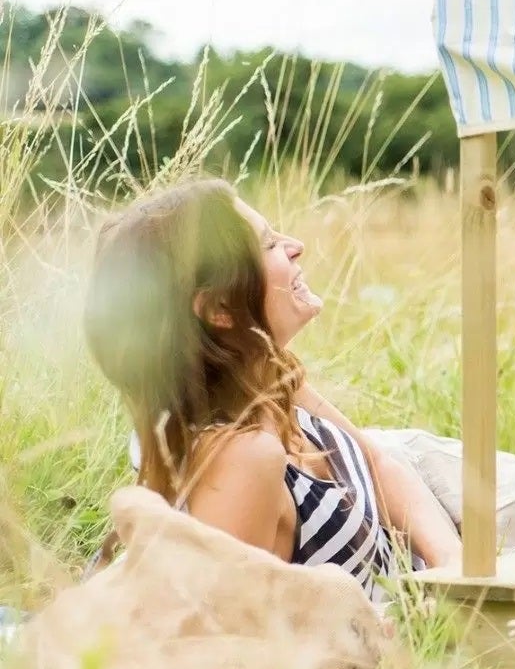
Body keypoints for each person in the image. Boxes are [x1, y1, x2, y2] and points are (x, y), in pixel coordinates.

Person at [81, 180, 466, 600]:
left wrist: (453, 567)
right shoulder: (240, 457)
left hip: (433, 547)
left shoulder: (267, 376)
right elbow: (234, 640)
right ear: (219, 309)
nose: (296, 245)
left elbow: (377, 463)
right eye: (268, 245)